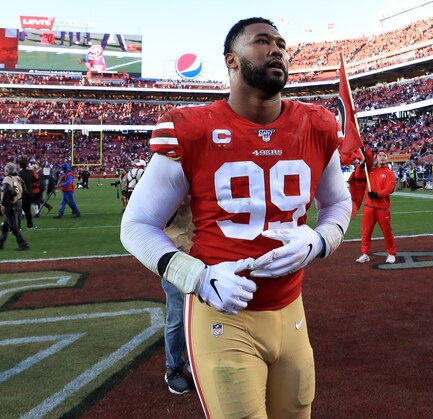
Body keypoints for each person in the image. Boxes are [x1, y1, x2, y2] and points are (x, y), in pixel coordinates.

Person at [120, 17, 352, 418]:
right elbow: (136, 225)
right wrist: (198, 277)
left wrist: (318, 241)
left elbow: (338, 204)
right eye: (262, 41)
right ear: (231, 60)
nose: (277, 48)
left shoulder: (316, 125)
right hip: (222, 317)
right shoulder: (191, 129)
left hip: (291, 308)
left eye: (281, 42)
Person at [162, 197, 194, 395]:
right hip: (178, 256)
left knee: (210, 314)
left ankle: (196, 362)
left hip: (207, 255)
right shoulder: (174, 172)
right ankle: (173, 368)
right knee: (177, 317)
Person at [355, 149, 397, 264]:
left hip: (382, 208)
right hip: (369, 206)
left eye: (384, 155)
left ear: (387, 159)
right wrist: (361, 165)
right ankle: (365, 253)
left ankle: (391, 254)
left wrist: (377, 195)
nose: (382, 157)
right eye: (380, 155)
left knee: (387, 233)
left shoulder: (390, 173)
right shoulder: (370, 171)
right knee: (366, 232)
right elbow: (358, 175)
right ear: (376, 158)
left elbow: (389, 188)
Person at [0, 162, 30, 251]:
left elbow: (6, 192)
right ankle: (1, 243)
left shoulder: (7, 179)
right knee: (5, 226)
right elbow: (26, 191)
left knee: (13, 226)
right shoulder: (19, 178)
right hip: (18, 203)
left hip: (11, 204)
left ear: (7, 170)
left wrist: (3, 204)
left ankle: (23, 244)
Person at [18, 157, 35, 229]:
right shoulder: (31, 172)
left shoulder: (19, 174)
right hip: (30, 193)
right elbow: (34, 181)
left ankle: (18, 227)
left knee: (18, 210)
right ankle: (30, 225)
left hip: (22, 194)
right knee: (28, 210)